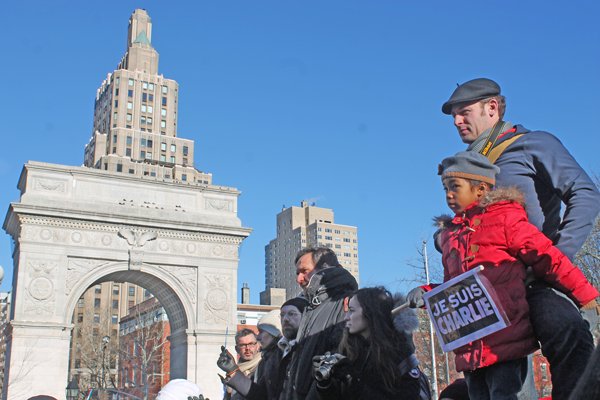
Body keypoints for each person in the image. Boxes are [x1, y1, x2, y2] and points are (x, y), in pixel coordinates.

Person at [440, 78, 600, 400]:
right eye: (453, 115)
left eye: (464, 112)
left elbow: (585, 194)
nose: (456, 121)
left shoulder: (533, 143)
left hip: (534, 278)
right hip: (488, 290)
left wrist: (558, 255)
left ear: (493, 108)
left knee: (565, 328)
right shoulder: (465, 169)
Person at [408, 151, 598, 400]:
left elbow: (548, 259)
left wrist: (586, 296)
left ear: (481, 188)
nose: (449, 195)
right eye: (445, 189)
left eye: (455, 186)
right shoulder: (450, 237)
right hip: (469, 346)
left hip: (506, 341)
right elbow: (451, 286)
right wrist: (427, 292)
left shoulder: (506, 220)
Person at [312, 287, 423, 400]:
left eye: (352, 310)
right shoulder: (347, 348)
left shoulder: (400, 351)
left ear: (370, 313)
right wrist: (324, 383)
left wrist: (354, 383)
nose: (346, 318)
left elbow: (409, 396)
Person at [288, 246, 358, 400]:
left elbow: (340, 357)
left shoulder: (347, 302)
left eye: (304, 271)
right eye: (297, 273)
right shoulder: (312, 308)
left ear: (326, 267)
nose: (299, 279)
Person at [218, 297, 309, 400]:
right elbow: (261, 394)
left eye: (292, 314)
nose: (286, 319)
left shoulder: (308, 351)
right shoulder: (273, 359)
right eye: (282, 315)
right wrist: (232, 371)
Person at [223, 329, 262, 400]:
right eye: (243, 345)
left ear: (258, 346)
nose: (247, 348)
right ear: (236, 349)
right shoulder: (233, 370)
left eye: (251, 344)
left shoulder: (264, 366)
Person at [254, 309, 283, 382]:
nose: (258, 338)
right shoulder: (264, 361)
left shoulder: (286, 360)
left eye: (261, 332)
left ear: (275, 334)